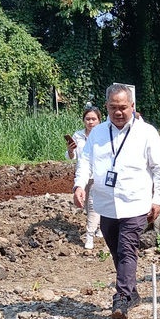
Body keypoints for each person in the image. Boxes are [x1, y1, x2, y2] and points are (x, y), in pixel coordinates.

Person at [73, 84, 160, 319]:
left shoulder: (146, 132)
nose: (118, 112)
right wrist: (78, 185)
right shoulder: (97, 133)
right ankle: (132, 293)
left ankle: (122, 297)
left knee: (127, 248)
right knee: (116, 249)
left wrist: (157, 199)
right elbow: (85, 162)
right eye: (114, 107)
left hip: (135, 202)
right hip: (106, 204)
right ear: (107, 107)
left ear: (132, 106)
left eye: (123, 107)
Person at [66, 106, 104, 249]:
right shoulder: (78, 135)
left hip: (97, 175)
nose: (90, 122)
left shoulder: (103, 136)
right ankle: (100, 227)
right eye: (87, 119)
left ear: (99, 120)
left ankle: (89, 236)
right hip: (83, 175)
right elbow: (72, 157)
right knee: (88, 205)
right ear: (83, 121)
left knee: (94, 205)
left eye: (94, 119)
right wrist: (70, 150)